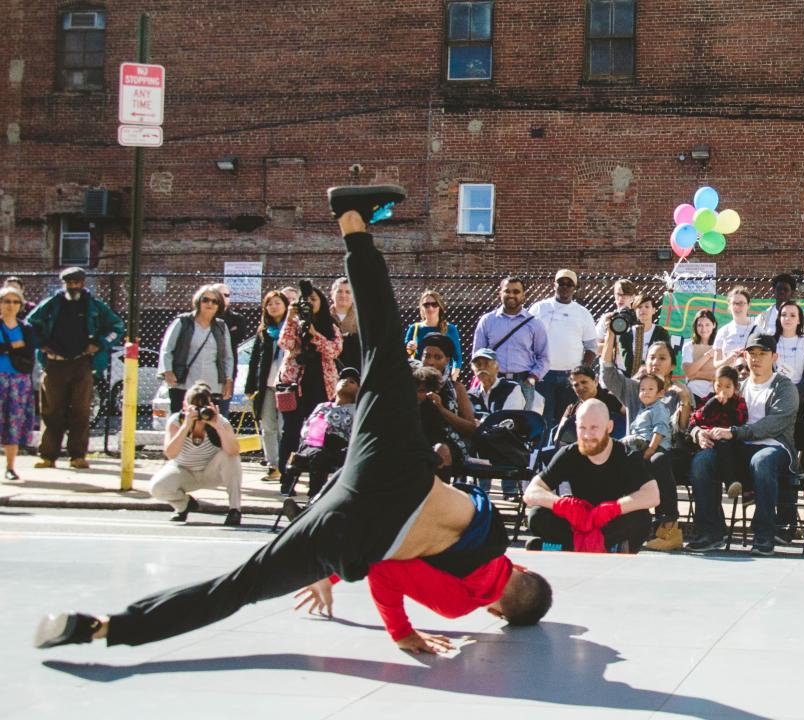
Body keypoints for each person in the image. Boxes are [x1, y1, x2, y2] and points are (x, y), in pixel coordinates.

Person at [34, 188, 552, 654]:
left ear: (523, 570)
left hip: (395, 470)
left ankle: (353, 220)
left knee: (385, 347)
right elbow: (388, 576)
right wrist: (393, 625)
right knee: (240, 585)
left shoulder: (497, 538)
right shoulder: (463, 604)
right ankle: (98, 628)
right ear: (498, 613)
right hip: (362, 528)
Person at [685, 335, 799, 556]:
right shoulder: (735, 387)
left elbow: (772, 426)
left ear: (774, 356)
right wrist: (699, 433)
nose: (756, 359)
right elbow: (701, 417)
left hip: (774, 447)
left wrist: (734, 432)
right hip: (736, 448)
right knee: (702, 461)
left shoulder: (785, 388)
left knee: (762, 461)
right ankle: (711, 532)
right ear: (745, 356)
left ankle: (764, 534)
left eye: (762, 354)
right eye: (752, 353)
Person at [523, 399, 659, 553]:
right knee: (537, 515)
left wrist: (615, 508)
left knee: (642, 519)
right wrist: (564, 506)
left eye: (594, 428)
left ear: (609, 427)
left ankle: (567, 548)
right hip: (578, 522)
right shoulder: (569, 453)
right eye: (582, 428)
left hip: (610, 522)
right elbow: (531, 492)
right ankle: (605, 549)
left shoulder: (627, 455)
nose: (587, 435)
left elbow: (652, 495)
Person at [28, 266, 124, 470]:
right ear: (63, 284)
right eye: (69, 283)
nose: (73, 286)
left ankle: (78, 456)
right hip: (54, 363)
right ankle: (48, 456)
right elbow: (30, 325)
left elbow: (117, 327)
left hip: (82, 363)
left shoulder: (95, 307)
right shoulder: (51, 305)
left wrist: (99, 344)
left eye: (76, 282)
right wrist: (41, 344)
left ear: (83, 283)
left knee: (81, 410)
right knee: (51, 410)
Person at [600, 335, 691, 541]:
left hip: (669, 453)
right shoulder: (635, 389)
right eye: (651, 358)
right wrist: (612, 335)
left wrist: (685, 401)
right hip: (637, 453)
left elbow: (683, 430)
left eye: (662, 358)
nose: (655, 363)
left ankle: (668, 526)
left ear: (672, 365)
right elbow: (607, 373)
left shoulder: (679, 392)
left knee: (658, 460)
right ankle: (616, 525)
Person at [149, 382, 243, 527]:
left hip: (211, 472)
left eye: (203, 407)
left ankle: (235, 509)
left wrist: (217, 426)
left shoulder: (220, 422)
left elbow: (233, 451)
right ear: (185, 406)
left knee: (231, 457)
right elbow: (171, 454)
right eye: (194, 407)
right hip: (184, 470)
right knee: (157, 487)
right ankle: (184, 505)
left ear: (211, 405)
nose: (199, 413)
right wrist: (186, 426)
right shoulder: (176, 421)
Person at [276, 281, 343, 477]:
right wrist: (290, 318)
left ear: (321, 302)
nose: (309, 303)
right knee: (291, 431)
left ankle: (317, 475)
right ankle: (286, 475)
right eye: (305, 300)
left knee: (320, 431)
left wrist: (315, 335)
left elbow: (335, 350)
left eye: (313, 299)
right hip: (294, 385)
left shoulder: (329, 325)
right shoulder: (294, 323)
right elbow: (285, 343)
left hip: (321, 385)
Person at [530, 269, 598, 425]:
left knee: (567, 420)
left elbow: (591, 347)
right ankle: (542, 449)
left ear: (575, 288)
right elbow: (526, 340)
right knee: (542, 419)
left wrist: (581, 371)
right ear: (554, 285)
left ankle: (561, 449)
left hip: (570, 377)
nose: (565, 287)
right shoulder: (539, 308)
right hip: (543, 374)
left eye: (569, 284)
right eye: (561, 283)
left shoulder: (582, 313)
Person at [473, 277, 550, 409]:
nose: (511, 295)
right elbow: (477, 354)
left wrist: (532, 378)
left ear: (523, 295)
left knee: (522, 424)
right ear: (500, 294)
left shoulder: (534, 323)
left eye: (516, 292)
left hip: (523, 381)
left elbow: (544, 357)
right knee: (492, 421)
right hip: (494, 381)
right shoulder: (487, 321)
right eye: (507, 291)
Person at [159, 285, 235, 415]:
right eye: (205, 300)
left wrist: (228, 380)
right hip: (184, 384)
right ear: (198, 301)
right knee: (182, 422)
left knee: (212, 426)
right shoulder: (182, 322)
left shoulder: (221, 327)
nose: (210, 304)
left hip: (213, 385)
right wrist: (168, 372)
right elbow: (167, 349)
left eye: (214, 301)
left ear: (219, 305)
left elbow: (228, 357)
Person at [286, 368, 359, 497]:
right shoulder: (323, 406)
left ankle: (315, 499)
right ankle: (314, 497)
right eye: (342, 379)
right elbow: (307, 428)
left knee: (324, 455)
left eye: (352, 381)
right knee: (318, 454)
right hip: (315, 444)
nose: (346, 382)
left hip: (339, 447)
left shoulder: (356, 410)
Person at [246, 290, 290, 481]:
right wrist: (250, 386)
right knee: (268, 426)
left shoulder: (292, 329)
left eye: (277, 303)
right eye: (270, 304)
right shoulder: (264, 331)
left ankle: (286, 464)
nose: (273, 307)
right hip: (266, 386)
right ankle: (273, 465)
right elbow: (254, 359)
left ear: (286, 306)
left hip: (287, 386)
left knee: (284, 426)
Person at [688, 366, 749, 498]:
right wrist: (711, 404)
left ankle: (730, 482)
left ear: (735, 387)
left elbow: (740, 419)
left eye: (728, 387)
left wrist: (727, 406)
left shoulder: (738, 402)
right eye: (719, 386)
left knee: (725, 445)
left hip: (728, 441)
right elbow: (696, 419)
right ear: (713, 385)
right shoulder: (709, 399)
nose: (723, 391)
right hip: (708, 439)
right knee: (703, 458)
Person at [774, 300, 804, 455]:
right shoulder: (770, 342)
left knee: (802, 436)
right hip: (775, 397)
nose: (787, 318)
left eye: (792, 315)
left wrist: (794, 396)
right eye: (784, 315)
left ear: (799, 319)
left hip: (802, 397)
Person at [0, 286, 36, 481]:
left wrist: (6, 349)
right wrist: (13, 346)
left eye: (15, 302)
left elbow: (29, 349)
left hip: (19, 381)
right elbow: (16, 348)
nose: (11, 306)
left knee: (13, 423)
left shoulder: (26, 328)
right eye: (6, 301)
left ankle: (10, 467)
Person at [752, 273, 804, 361]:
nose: (782, 292)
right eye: (779, 289)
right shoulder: (763, 318)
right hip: (770, 371)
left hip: (799, 371)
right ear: (773, 291)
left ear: (792, 293)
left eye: (786, 290)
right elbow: (754, 345)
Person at [468, 348, 541, 422]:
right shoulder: (470, 395)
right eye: (478, 365)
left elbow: (508, 421)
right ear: (473, 369)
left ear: (497, 367)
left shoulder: (511, 389)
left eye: (486, 363)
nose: (482, 368)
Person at [556, 365, 625, 444]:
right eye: (576, 385)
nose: (581, 387)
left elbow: (628, 422)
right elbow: (558, 438)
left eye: (584, 382)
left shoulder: (613, 400)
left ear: (596, 381)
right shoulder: (572, 409)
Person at [405, 288, 463, 379]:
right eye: (426, 305)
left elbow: (457, 358)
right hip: (420, 378)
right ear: (422, 308)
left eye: (434, 304)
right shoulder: (414, 328)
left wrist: (453, 378)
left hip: (442, 377)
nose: (430, 308)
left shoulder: (450, 329)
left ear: (440, 307)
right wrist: (409, 348)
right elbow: (404, 356)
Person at [617, 292, 672, 377]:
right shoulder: (626, 335)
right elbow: (627, 363)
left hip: (655, 377)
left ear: (654, 310)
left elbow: (665, 358)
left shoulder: (661, 333)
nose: (643, 310)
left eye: (647, 306)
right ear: (635, 311)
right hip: (632, 377)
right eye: (639, 307)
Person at [713, 286, 758, 371]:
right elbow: (716, 364)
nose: (737, 307)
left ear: (748, 305)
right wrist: (727, 360)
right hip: (729, 381)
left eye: (741, 303)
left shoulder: (758, 331)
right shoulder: (723, 331)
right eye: (734, 303)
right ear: (729, 306)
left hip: (750, 381)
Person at [681, 309, 719, 403]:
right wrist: (708, 355)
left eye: (707, 325)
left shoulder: (719, 346)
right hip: (693, 393)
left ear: (713, 325)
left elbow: (718, 375)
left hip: (714, 395)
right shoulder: (689, 346)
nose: (703, 329)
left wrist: (696, 374)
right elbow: (689, 372)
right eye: (700, 325)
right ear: (695, 327)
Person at [595, 278, 637, 358]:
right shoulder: (607, 318)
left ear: (632, 297)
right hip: (610, 365)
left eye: (625, 295)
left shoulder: (638, 318)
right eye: (618, 294)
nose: (621, 298)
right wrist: (614, 346)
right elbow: (594, 348)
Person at [331, 277, 361, 372]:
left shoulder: (361, 318)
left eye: (348, 292)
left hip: (355, 367)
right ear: (332, 294)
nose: (343, 295)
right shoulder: (324, 317)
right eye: (339, 291)